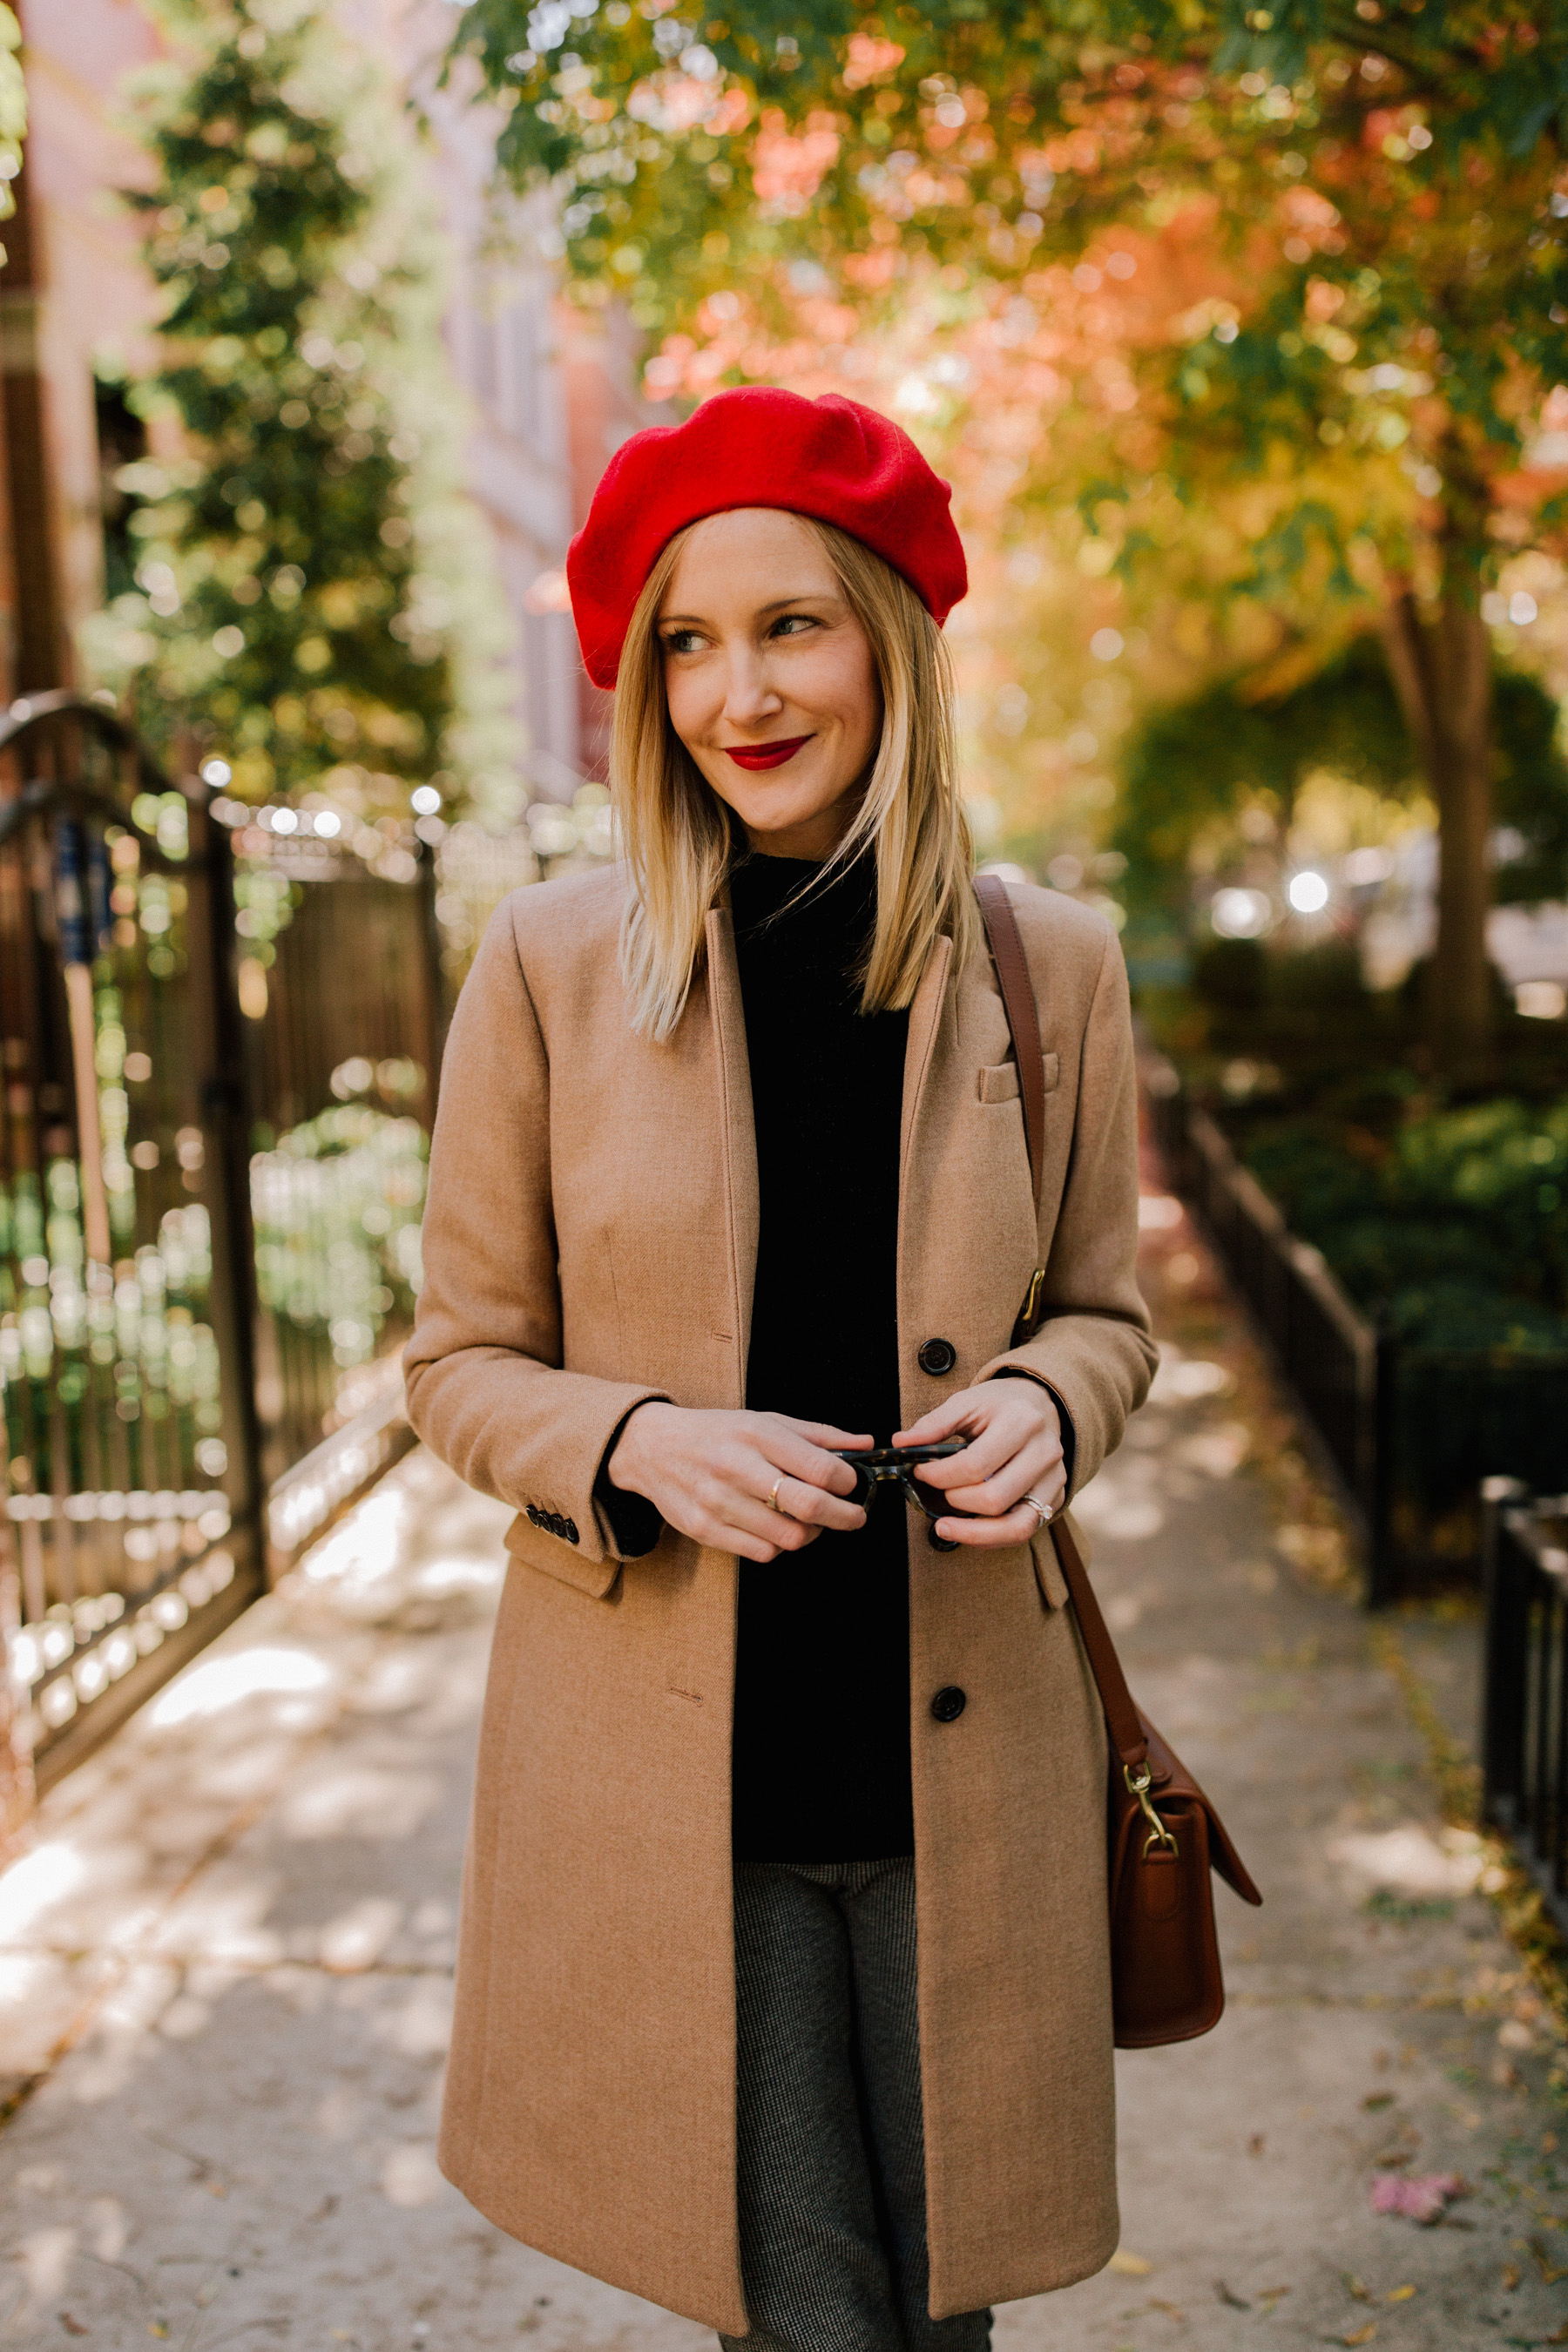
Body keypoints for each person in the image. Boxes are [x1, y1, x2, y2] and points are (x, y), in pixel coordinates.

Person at [404, 387, 1156, 2350]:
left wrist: (1052, 1404)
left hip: (958, 1760)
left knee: (949, 2306)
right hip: (676, 1780)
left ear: (889, 641)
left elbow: (1108, 1314)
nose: (737, 688)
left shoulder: (1045, 958)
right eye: (686, 640)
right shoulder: (554, 963)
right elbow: (460, 1364)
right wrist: (639, 1437)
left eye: (791, 625)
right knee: (803, 2315)